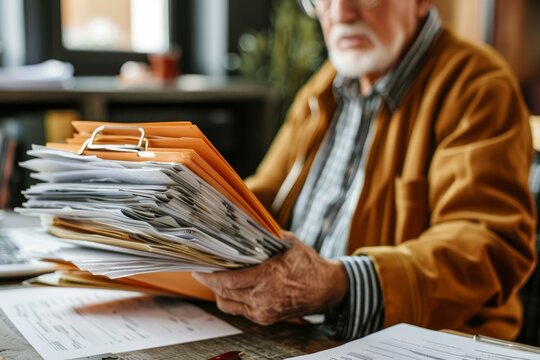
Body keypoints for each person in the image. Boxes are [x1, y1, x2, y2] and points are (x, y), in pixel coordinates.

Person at [193, 0, 536, 340]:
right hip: (302, 333)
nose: (340, 13)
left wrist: (337, 283)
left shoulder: (478, 86)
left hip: (425, 342)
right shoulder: (324, 86)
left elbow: (487, 243)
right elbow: (267, 193)